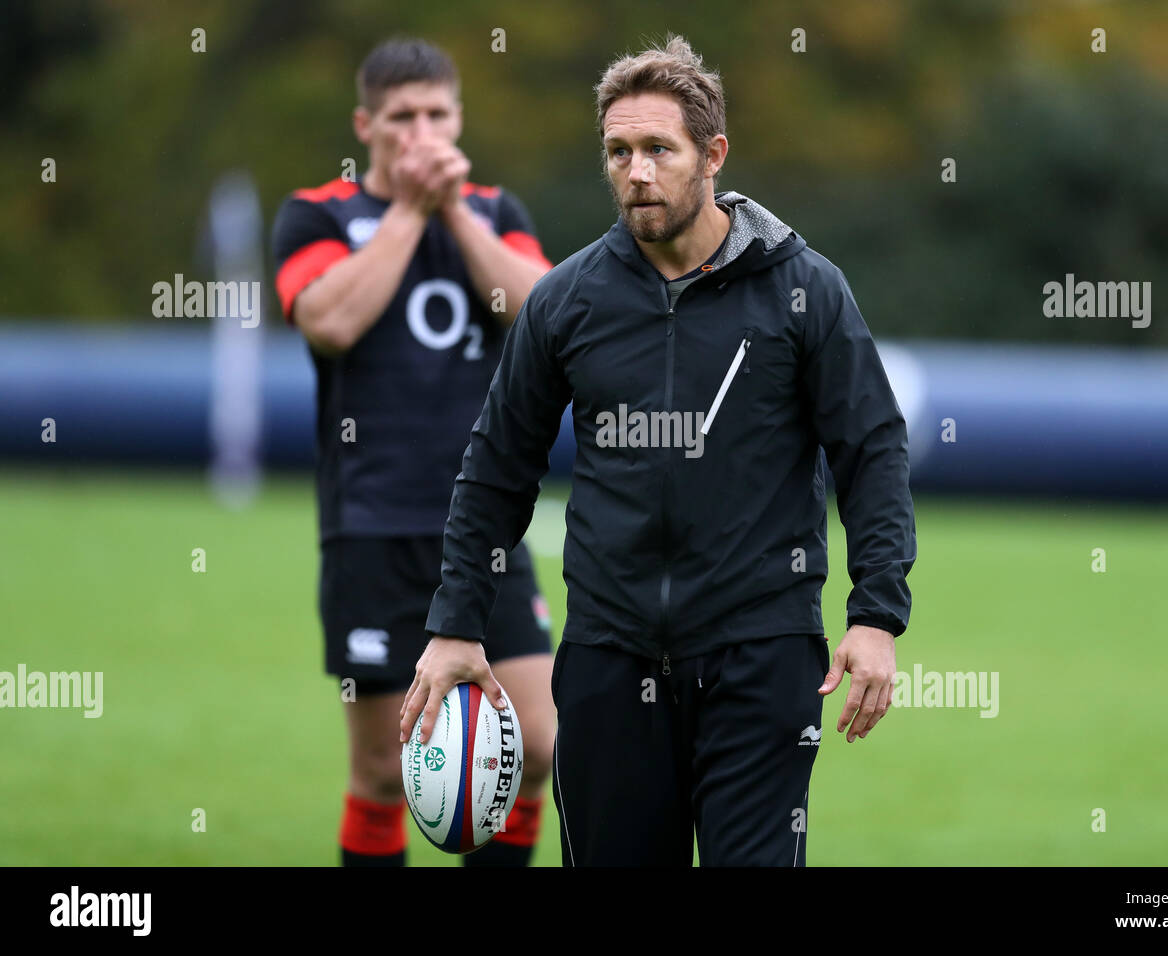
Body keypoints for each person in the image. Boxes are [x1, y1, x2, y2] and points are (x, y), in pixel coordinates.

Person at [400, 33, 916, 866]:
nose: (636, 172)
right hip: (609, 657)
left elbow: (872, 450)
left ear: (712, 153)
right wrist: (456, 623)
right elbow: (496, 469)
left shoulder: (803, 288)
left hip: (762, 655)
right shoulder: (566, 301)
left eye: (657, 150)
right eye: (618, 151)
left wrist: (876, 612)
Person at [270, 37, 556, 867]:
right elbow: (330, 320)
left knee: (534, 747)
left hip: (487, 527)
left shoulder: (498, 211)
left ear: (460, 118)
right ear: (366, 125)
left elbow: (537, 314)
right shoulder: (318, 213)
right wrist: (406, 213)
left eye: (437, 114)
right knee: (385, 770)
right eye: (401, 118)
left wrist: (454, 208)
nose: (420, 132)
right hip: (373, 524)